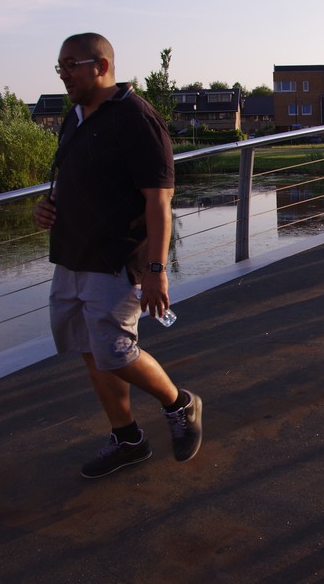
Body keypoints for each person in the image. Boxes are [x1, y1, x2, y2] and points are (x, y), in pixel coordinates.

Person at [33, 32, 202, 478]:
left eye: (71, 64)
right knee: (91, 351)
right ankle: (127, 438)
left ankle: (179, 404)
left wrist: (156, 271)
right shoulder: (74, 117)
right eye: (60, 66)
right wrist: (46, 207)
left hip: (115, 258)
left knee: (116, 351)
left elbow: (159, 199)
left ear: (102, 66)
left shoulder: (135, 117)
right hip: (72, 255)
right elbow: (77, 182)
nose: (64, 74)